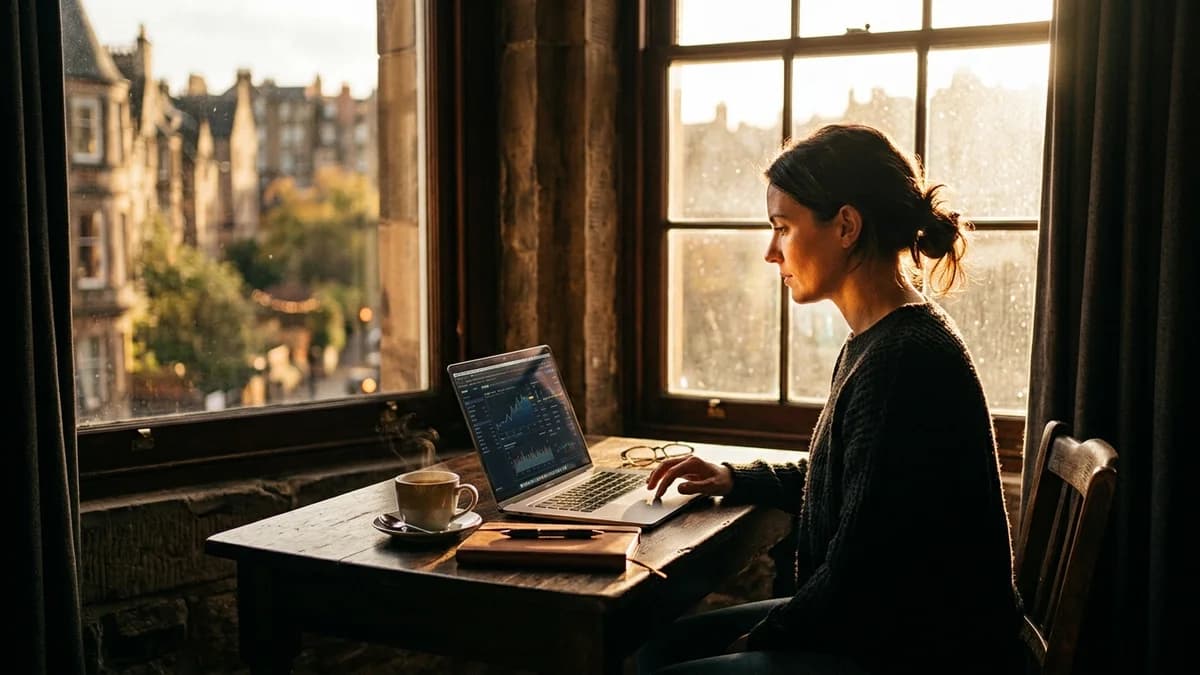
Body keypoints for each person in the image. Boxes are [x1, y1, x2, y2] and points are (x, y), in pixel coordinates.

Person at [637, 124, 1020, 674]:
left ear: (845, 226)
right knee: (660, 647)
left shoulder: (902, 360)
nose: (772, 252)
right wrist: (732, 475)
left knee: (670, 664)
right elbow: (846, 483)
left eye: (783, 228)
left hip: (915, 650)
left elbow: (857, 569)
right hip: (884, 624)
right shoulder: (883, 338)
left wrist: (755, 640)